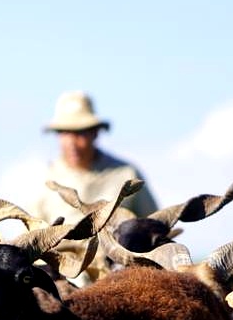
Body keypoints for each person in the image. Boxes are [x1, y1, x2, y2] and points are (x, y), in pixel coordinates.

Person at [29, 90, 158, 225]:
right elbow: (32, 237)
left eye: (80, 133)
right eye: (65, 133)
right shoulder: (43, 181)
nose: (72, 143)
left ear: (95, 133)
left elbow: (154, 226)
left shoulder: (127, 175)